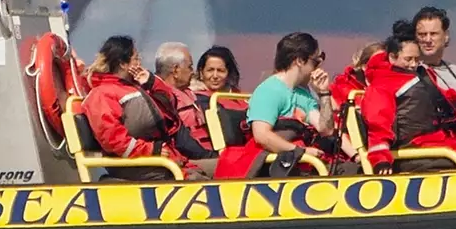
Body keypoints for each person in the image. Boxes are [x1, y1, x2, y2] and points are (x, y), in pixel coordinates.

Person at [81, 36, 214, 178]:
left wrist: (151, 82)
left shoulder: (136, 86)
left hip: (167, 158)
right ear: (123, 64)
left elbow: (170, 102)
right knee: (202, 181)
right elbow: (113, 139)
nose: (140, 62)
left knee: (226, 166)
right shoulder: (101, 94)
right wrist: (151, 149)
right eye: (136, 58)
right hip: (140, 166)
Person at [360, 23, 456, 173]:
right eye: (408, 59)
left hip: (438, 144)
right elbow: (378, 125)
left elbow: (446, 100)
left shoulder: (421, 75)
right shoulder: (381, 85)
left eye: (417, 59)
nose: (413, 64)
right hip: (413, 150)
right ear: (392, 57)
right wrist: (381, 161)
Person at [213, 32, 336, 180]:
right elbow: (262, 135)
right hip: (282, 169)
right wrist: (301, 151)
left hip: (305, 164)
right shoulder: (269, 91)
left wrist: (324, 93)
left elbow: (326, 129)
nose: (318, 68)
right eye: (315, 62)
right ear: (299, 61)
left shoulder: (302, 94)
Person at [153, 41, 216, 156]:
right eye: (190, 67)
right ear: (176, 70)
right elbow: (181, 141)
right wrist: (210, 156)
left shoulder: (194, 93)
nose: (193, 72)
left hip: (210, 153)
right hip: (190, 158)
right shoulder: (160, 98)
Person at [412, 6, 456, 106]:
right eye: (422, 34)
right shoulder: (411, 73)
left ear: (446, 36)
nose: (428, 40)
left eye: (433, 34)